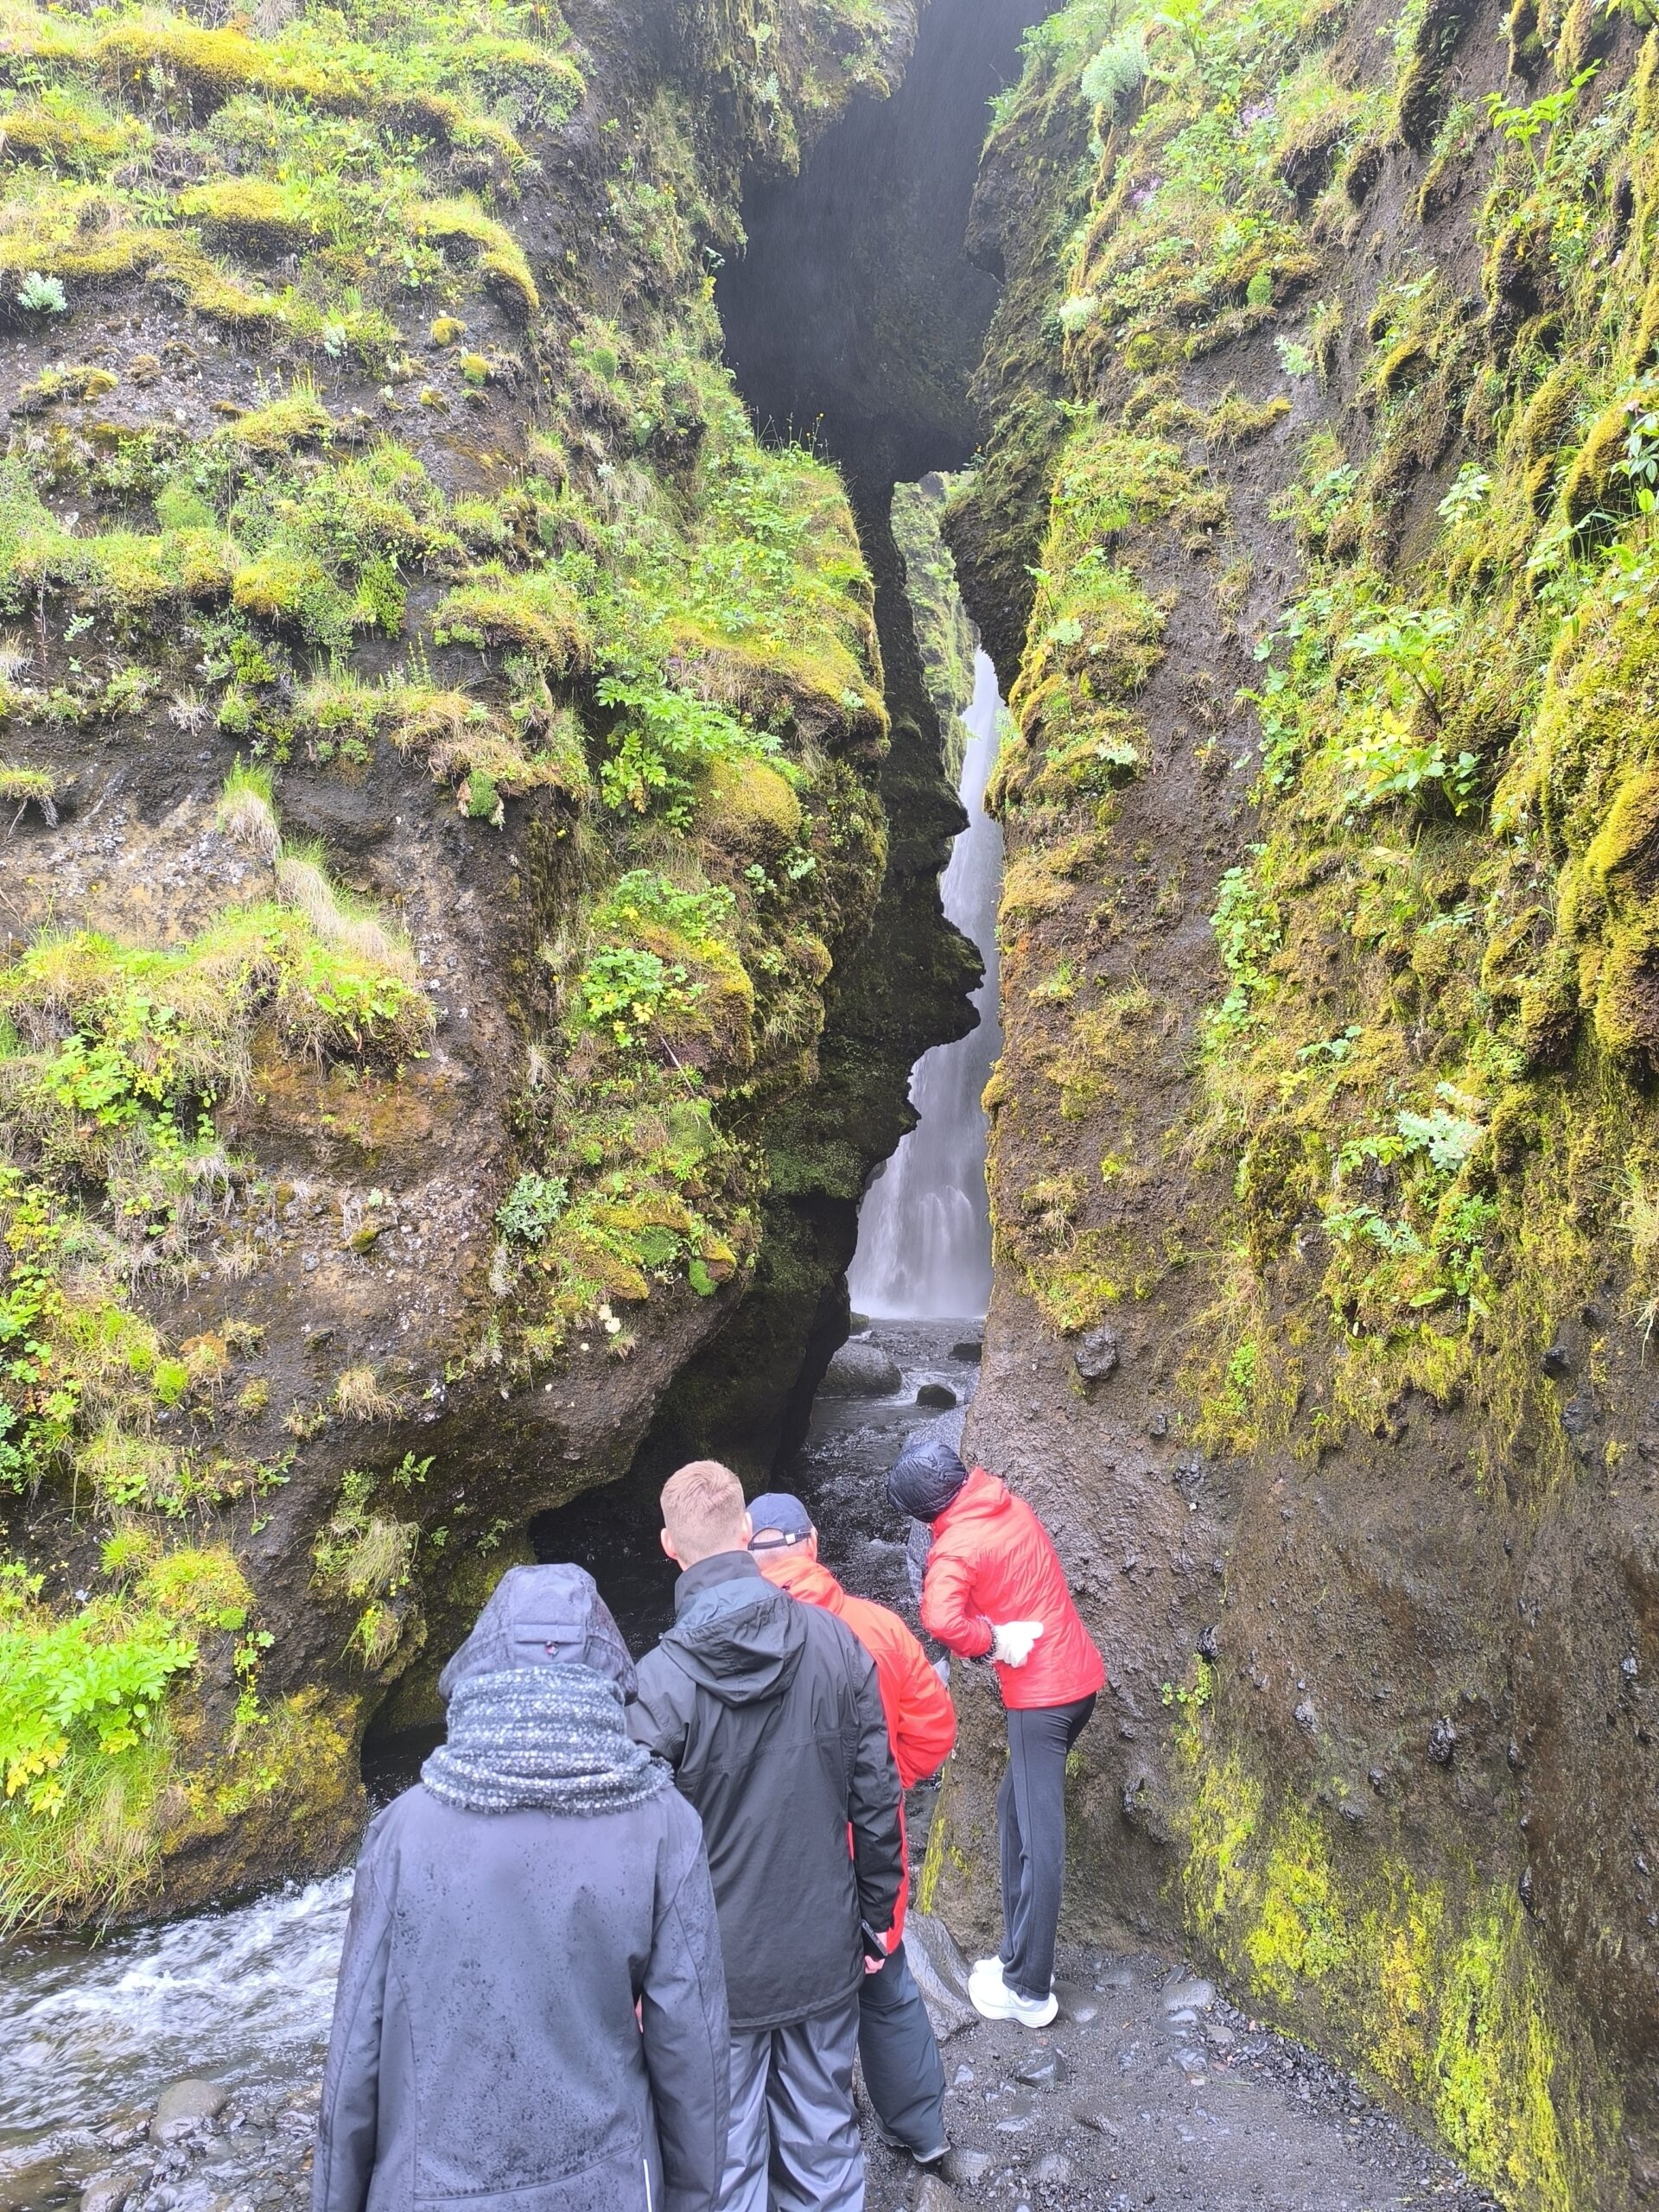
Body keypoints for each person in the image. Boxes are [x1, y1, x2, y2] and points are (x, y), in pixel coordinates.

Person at [312, 1565, 729, 2212]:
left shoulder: (405, 1829)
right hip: (609, 2184)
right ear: (606, 1671)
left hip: (433, 2189)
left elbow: (356, 2049)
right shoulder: (663, 1824)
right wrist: (695, 2200)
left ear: (482, 1665)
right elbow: (691, 2049)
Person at [629, 1459, 904, 2212]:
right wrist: (877, 1914)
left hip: (711, 1971)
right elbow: (876, 1796)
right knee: (823, 2139)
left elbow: (634, 1853)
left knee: (724, 2160)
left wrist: (630, 1975)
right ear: (746, 1531)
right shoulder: (836, 1643)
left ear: (668, 1545)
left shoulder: (656, 1685)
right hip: (822, 1944)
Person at [747, 1491, 957, 2169]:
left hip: (767, 1862)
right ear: (812, 1544)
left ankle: (808, 2149)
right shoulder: (880, 1629)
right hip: (868, 1852)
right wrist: (890, 1782)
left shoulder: (720, 1639)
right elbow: (934, 1730)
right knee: (886, 1988)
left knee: (785, 2010)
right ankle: (921, 2130)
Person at [886, 1434, 1105, 2031]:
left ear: (925, 1511)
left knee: (1040, 1844)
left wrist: (991, 1643)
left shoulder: (955, 1546)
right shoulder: (1004, 1502)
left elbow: (939, 1617)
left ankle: (1029, 1989)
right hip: (1077, 1681)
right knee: (1014, 1813)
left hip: (1043, 1700)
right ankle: (1016, 1957)